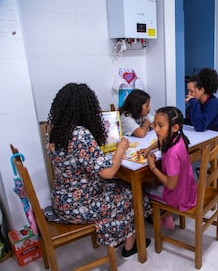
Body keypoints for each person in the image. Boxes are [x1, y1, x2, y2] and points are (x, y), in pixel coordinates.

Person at [45, 83, 152, 259]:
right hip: (79, 204)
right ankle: (129, 245)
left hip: (62, 198)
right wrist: (120, 150)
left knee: (121, 184)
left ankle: (120, 233)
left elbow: (80, 161)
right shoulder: (80, 134)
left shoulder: (53, 130)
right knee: (132, 193)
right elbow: (108, 172)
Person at [141, 106, 197, 229]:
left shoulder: (172, 153)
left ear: (175, 127)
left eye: (160, 126)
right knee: (156, 181)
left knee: (143, 189)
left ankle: (163, 216)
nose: (156, 129)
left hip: (178, 197)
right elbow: (162, 140)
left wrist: (152, 167)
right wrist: (149, 148)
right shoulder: (178, 137)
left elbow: (171, 185)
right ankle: (167, 215)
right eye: (155, 125)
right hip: (188, 189)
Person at [185, 67, 218, 142]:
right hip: (203, 138)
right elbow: (193, 121)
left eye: (191, 91)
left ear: (202, 90)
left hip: (216, 142)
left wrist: (195, 104)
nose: (188, 94)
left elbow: (199, 126)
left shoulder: (214, 104)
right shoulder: (199, 101)